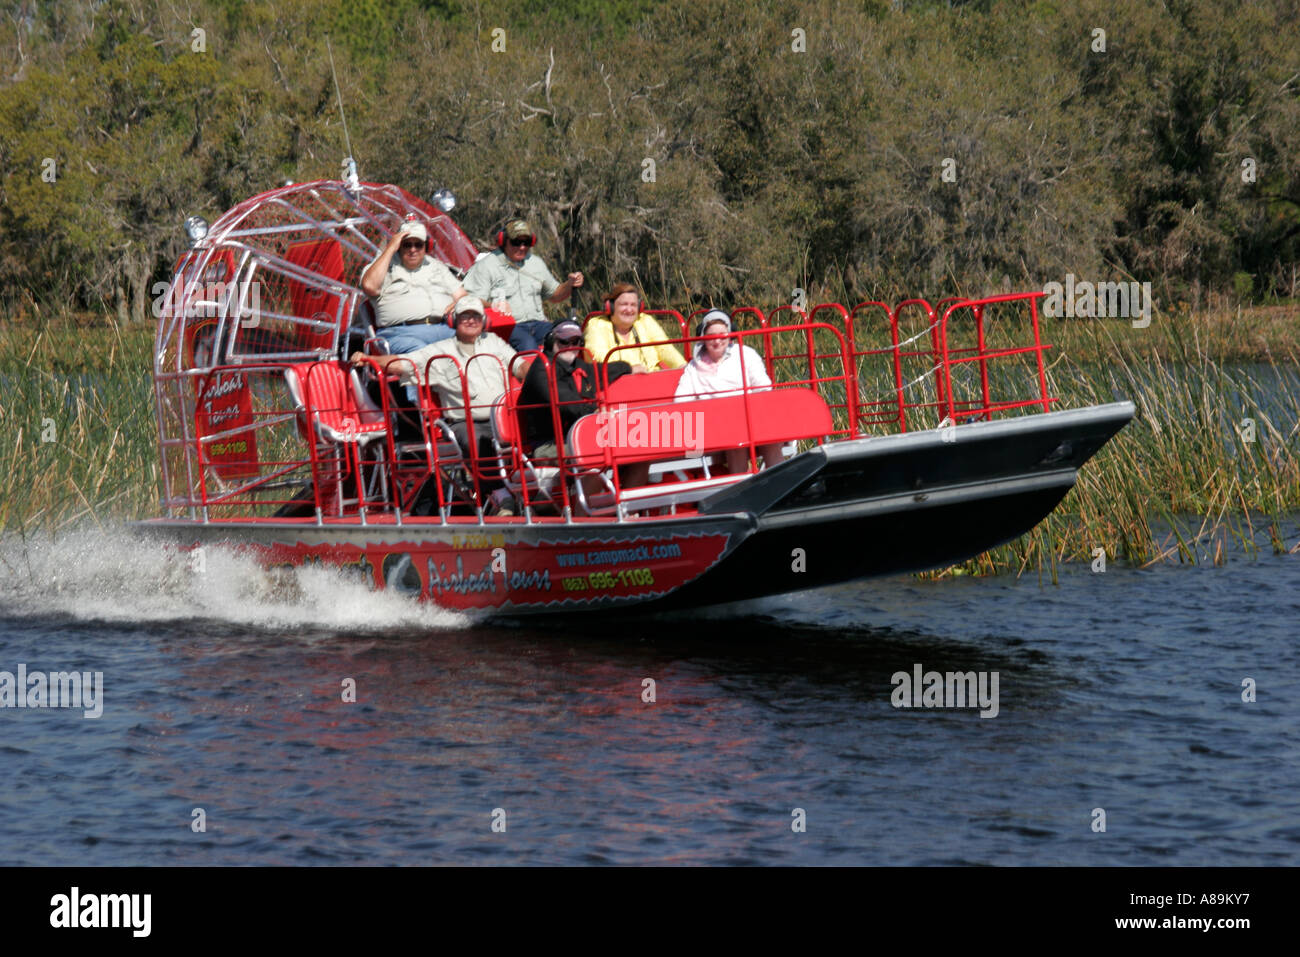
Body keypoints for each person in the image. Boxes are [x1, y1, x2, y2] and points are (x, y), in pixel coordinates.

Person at [351, 296, 522, 462]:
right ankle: (496, 490)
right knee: (476, 441)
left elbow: (520, 366)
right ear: (455, 321)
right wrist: (370, 359)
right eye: (465, 316)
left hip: (505, 416)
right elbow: (403, 363)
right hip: (467, 422)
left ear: (483, 320)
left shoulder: (494, 342)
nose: (471, 320)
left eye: (476, 316)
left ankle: (537, 481)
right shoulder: (439, 350)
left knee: (536, 426)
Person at [675, 310, 784, 473]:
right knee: (735, 435)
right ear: (703, 338)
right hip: (714, 424)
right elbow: (681, 401)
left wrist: (749, 408)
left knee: (769, 437)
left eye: (722, 334)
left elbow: (763, 387)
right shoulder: (694, 367)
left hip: (749, 417)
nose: (717, 340)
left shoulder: (745, 354)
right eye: (711, 336)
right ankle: (740, 486)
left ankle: (782, 483)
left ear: (730, 334)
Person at [462, 218, 584, 353]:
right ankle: (537, 373)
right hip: (508, 328)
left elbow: (555, 295)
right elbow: (469, 300)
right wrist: (493, 306)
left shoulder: (536, 263)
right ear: (503, 241)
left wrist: (570, 284)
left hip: (539, 325)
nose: (522, 247)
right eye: (516, 242)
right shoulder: (486, 266)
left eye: (526, 243)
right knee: (528, 345)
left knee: (570, 335)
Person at [359, 219, 468, 353]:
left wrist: (459, 303)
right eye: (407, 245)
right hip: (400, 334)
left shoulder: (437, 266)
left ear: (426, 246)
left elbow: (462, 296)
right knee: (426, 356)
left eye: (418, 245)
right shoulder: (382, 267)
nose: (413, 250)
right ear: (398, 246)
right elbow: (369, 286)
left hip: (444, 329)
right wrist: (390, 249)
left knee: (477, 350)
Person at [584, 282, 687, 372]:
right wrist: (628, 369)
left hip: (652, 380)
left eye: (633, 305)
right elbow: (598, 358)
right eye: (624, 304)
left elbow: (665, 349)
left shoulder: (645, 321)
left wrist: (682, 366)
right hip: (615, 383)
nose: (629, 310)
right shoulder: (596, 325)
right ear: (610, 307)